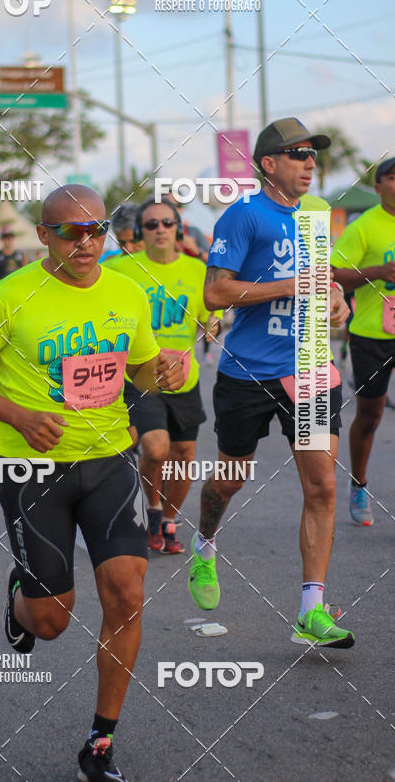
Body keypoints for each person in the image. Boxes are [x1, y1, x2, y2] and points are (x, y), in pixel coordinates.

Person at [0, 184, 184, 782]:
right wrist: (19, 417)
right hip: (34, 471)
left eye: (97, 230)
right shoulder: (11, 296)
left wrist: (166, 372)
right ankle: (22, 598)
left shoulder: (127, 293)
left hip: (110, 460)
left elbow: (144, 373)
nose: (86, 242)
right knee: (50, 621)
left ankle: (100, 743)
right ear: (44, 236)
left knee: (127, 593)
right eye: (71, 232)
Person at [189, 117, 355, 648]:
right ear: (268, 164)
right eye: (299, 154)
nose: (310, 164)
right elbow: (216, 293)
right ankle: (205, 542)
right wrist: (293, 284)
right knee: (228, 481)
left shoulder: (316, 215)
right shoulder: (243, 216)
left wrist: (335, 298)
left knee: (323, 485)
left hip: (307, 368)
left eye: (313, 155)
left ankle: (311, 609)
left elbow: (321, 277)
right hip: (247, 373)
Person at [112, 195, 220, 554]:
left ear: (179, 229)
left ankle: (169, 520)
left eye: (167, 223)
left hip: (185, 380)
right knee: (156, 449)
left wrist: (213, 324)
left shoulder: (196, 271)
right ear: (140, 233)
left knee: (184, 454)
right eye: (151, 224)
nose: (160, 229)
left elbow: (210, 315)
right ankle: (153, 510)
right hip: (141, 378)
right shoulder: (122, 272)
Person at [331, 157, 395, 526]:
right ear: (378, 187)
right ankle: (358, 483)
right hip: (371, 335)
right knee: (370, 416)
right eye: (392, 178)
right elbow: (334, 273)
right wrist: (374, 272)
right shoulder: (364, 226)